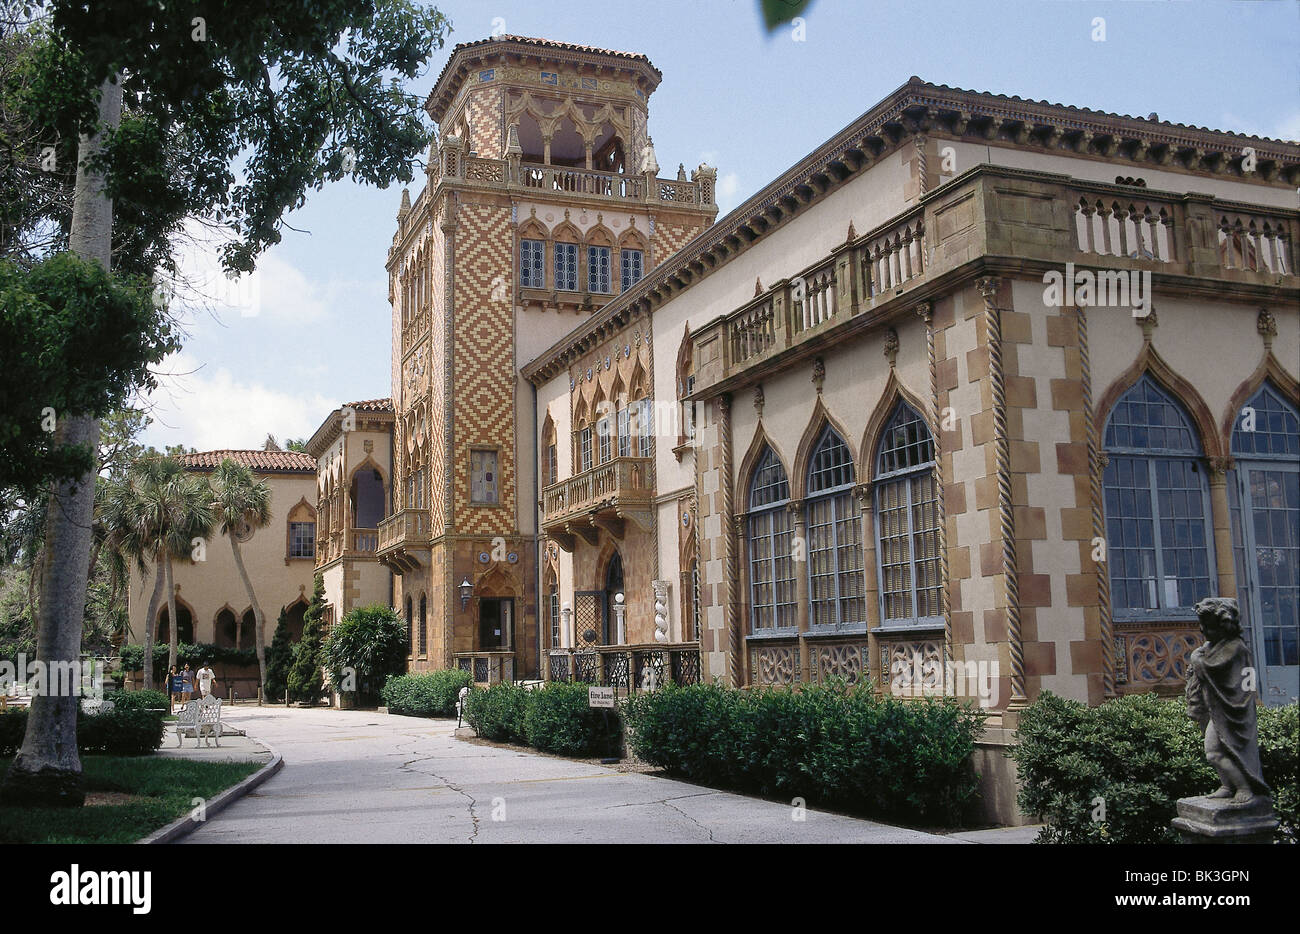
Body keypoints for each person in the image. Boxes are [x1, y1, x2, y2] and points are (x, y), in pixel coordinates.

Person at [1186, 596, 1271, 804]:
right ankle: (1227, 785)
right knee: (1218, 750)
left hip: (1231, 711)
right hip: (1216, 708)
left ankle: (1244, 787)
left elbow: (1211, 669)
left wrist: (1197, 659)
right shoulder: (1212, 645)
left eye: (1209, 626)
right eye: (1202, 626)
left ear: (1224, 627)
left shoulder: (1236, 648)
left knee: (1213, 753)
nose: (1203, 631)